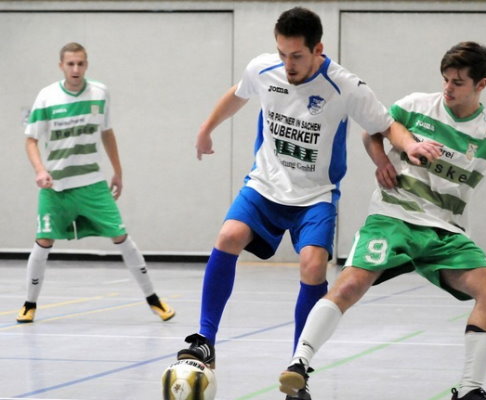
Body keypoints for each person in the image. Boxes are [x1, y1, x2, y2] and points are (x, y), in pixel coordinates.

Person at [278, 41, 486, 400]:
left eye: (458, 82)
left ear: (481, 85)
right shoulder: (415, 107)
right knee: (351, 284)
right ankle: (299, 364)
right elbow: (371, 132)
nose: (448, 88)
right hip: (394, 216)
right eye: (445, 79)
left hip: (444, 230)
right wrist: (381, 161)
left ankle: (470, 390)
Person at [175, 7, 440, 400]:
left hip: (315, 195)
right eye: (281, 53)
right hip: (265, 185)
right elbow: (238, 94)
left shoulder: (345, 86)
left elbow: (385, 125)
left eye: (296, 56)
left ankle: (299, 365)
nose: (287, 64)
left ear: (318, 49)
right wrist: (206, 128)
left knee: (314, 263)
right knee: (228, 235)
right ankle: (205, 341)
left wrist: (409, 146)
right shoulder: (264, 70)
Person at [17, 42, 175, 324]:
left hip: (92, 184)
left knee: (121, 236)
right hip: (56, 187)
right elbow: (31, 140)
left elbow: (107, 133)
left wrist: (118, 171)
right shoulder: (47, 97)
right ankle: (29, 304)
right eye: (70, 64)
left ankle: (154, 300)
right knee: (43, 241)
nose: (75, 69)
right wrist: (40, 171)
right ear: (61, 66)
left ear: (86, 64)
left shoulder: (100, 93)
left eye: (80, 63)